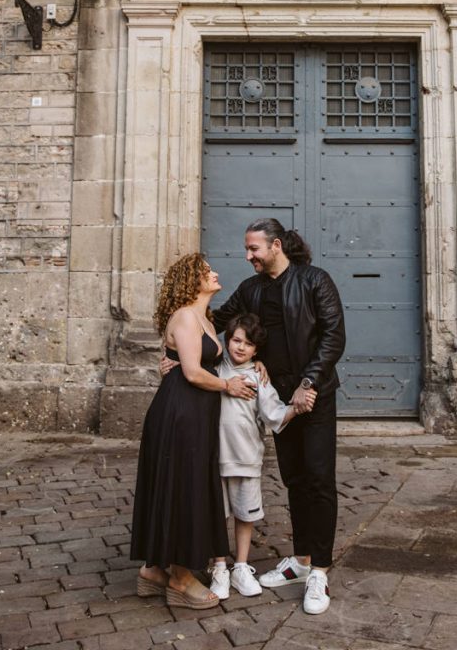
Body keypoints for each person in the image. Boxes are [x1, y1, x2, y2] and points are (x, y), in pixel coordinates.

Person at [212, 219, 346, 616]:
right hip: (279, 401)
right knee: (295, 479)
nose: (248, 255)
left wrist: (309, 382)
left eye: (254, 249)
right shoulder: (250, 289)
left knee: (319, 479)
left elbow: (333, 335)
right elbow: (215, 322)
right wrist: (174, 348)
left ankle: (320, 570)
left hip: (314, 396)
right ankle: (301, 562)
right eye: (247, 249)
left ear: (275, 246)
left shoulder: (314, 280)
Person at [131, 253, 256, 610]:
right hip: (180, 414)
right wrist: (228, 386)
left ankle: (153, 571)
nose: (215, 274)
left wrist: (255, 361)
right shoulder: (186, 316)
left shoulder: (203, 317)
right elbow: (191, 372)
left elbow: (191, 360)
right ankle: (181, 579)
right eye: (207, 271)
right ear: (192, 281)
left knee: (178, 484)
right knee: (182, 487)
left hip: (194, 413)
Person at [208, 313, 316, 601]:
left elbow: (274, 414)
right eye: (236, 340)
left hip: (245, 457)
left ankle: (241, 566)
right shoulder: (215, 369)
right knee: (217, 513)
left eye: (249, 344)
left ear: (257, 350)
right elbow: (190, 371)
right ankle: (219, 566)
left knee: (245, 513)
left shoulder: (258, 377)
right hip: (214, 457)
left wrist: (297, 407)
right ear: (227, 340)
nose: (241, 348)